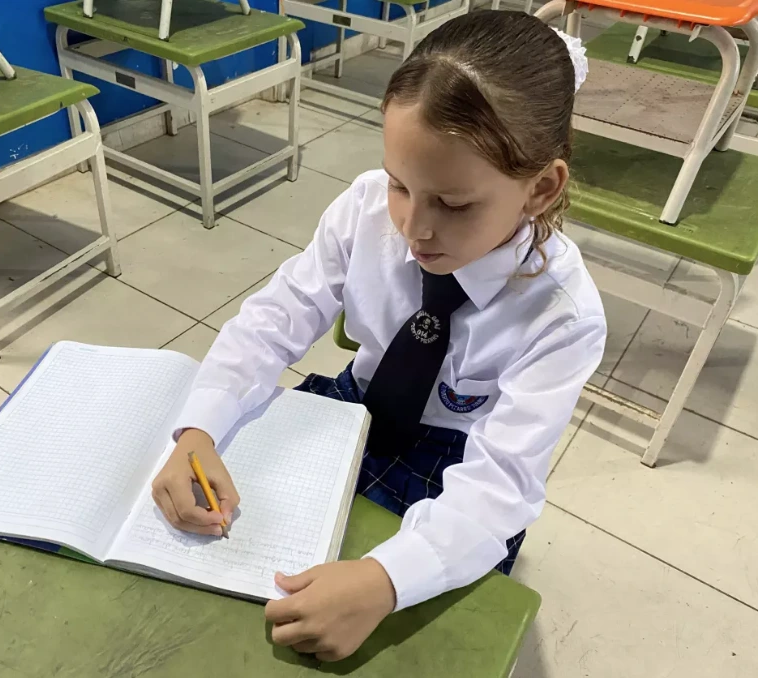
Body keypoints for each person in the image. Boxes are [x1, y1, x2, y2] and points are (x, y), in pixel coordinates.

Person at [153, 10, 605, 662]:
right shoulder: (366, 209)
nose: (414, 228)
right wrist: (198, 429)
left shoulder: (563, 316)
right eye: (400, 184)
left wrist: (384, 581)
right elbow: (273, 320)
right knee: (227, 593)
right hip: (353, 408)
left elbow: (498, 489)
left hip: (453, 465)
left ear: (540, 188)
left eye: (452, 204)